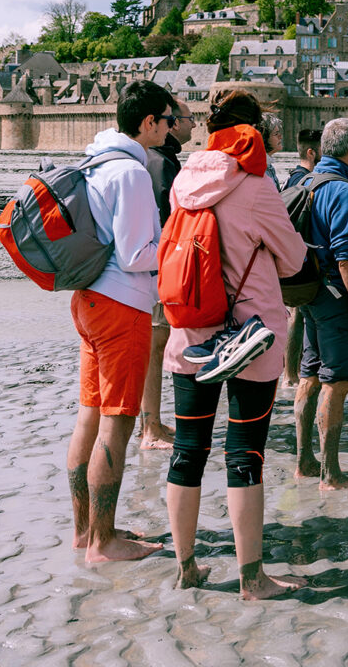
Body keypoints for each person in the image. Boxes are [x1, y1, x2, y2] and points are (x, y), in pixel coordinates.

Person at [162, 90, 307, 598]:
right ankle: (252, 578)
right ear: (253, 131)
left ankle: (187, 567)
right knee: (246, 453)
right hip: (252, 339)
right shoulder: (255, 184)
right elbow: (292, 259)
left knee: (187, 450)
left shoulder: (184, 181)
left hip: (192, 333)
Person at [65, 79, 172, 563]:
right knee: (118, 423)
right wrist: (175, 244)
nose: (172, 130)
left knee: (90, 416)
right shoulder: (130, 174)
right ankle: (104, 543)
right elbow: (135, 255)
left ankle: (86, 532)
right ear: (148, 122)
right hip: (120, 306)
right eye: (168, 121)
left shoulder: (96, 161)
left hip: (88, 299)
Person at [293, 117, 348, 489]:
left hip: (309, 294)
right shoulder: (343, 191)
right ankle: (331, 473)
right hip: (334, 296)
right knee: (337, 382)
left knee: (309, 376)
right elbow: (347, 258)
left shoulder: (305, 181)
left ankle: (304, 462)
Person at [141, 95, 195, 450]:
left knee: (156, 346)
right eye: (190, 118)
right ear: (171, 123)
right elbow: (167, 219)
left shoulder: (160, 160)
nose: (195, 124)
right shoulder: (162, 164)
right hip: (159, 268)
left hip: (154, 266)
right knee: (156, 347)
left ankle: (153, 424)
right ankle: (151, 429)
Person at [280, 127, 323, 390]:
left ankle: (293, 371)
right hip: (300, 261)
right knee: (296, 317)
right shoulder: (302, 181)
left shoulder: (294, 179)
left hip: (294, 258)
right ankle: (291, 375)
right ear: (311, 152)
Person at [259, 115, 285, 189]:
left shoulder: (269, 166)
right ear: (264, 138)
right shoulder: (259, 170)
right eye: (276, 134)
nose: (280, 137)